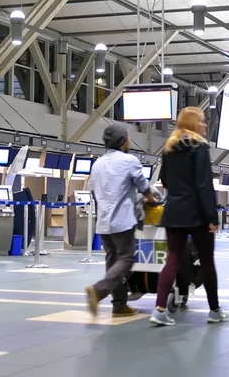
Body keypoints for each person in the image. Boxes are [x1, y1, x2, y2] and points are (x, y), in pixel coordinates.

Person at [149, 107, 229, 326]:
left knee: (172, 260)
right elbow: (204, 185)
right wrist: (212, 217)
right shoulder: (200, 148)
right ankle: (214, 310)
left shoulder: (168, 148)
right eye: (202, 122)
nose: (205, 126)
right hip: (198, 215)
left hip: (174, 212)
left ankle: (159, 310)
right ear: (194, 124)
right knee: (207, 262)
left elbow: (164, 180)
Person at [85, 124, 155, 317]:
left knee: (112, 259)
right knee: (126, 258)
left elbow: (92, 190)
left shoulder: (98, 163)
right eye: (128, 138)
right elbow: (142, 184)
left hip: (103, 222)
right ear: (123, 141)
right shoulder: (129, 160)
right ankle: (99, 290)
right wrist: (150, 197)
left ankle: (119, 305)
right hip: (122, 221)